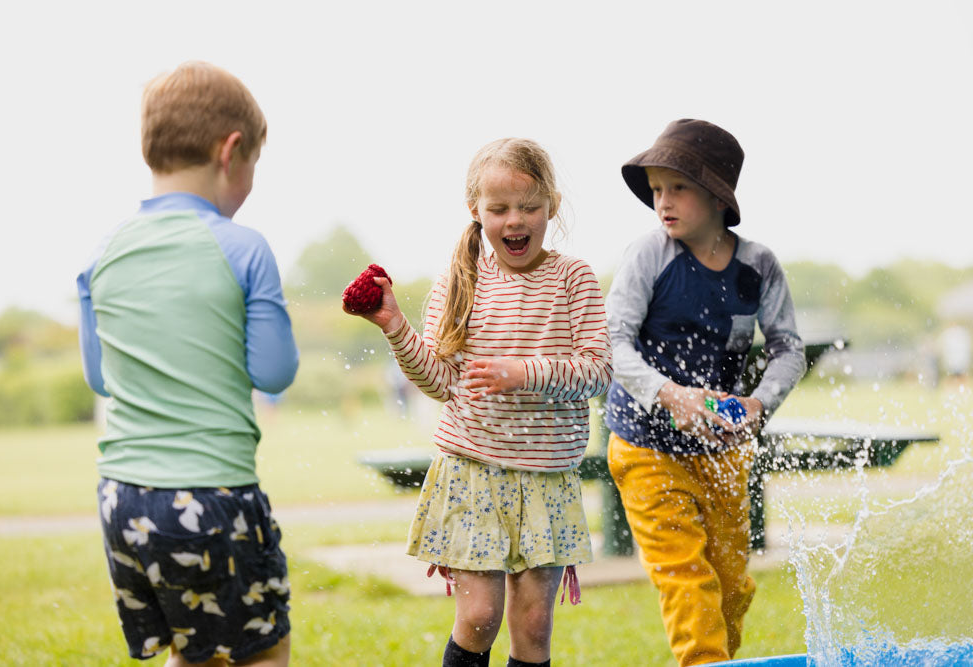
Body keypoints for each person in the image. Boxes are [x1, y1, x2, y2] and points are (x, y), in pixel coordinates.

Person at [345, 138, 613, 667]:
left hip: (546, 477)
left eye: (529, 206)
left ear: (552, 205)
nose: (515, 220)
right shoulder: (460, 279)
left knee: (533, 627)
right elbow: (442, 381)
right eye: (499, 209)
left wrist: (523, 372)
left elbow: (597, 371)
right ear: (477, 211)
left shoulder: (572, 278)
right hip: (473, 468)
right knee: (478, 617)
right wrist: (395, 326)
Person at [76, 61, 299, 666]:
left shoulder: (103, 254)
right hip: (209, 494)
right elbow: (274, 372)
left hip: (122, 502)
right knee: (262, 651)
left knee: (193, 649)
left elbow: (100, 379)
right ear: (231, 152)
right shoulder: (242, 246)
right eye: (255, 163)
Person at [604, 119, 806, 665]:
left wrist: (759, 402)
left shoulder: (758, 267)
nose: (661, 202)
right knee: (689, 583)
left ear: (717, 197)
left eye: (677, 188)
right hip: (646, 447)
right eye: (655, 190)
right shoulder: (650, 255)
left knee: (732, 587)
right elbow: (613, 342)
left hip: (721, 452)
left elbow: (789, 348)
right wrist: (669, 394)